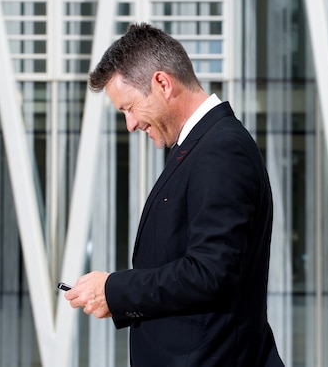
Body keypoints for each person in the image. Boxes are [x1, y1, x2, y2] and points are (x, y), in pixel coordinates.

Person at [64, 23, 284, 367]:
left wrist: (115, 290)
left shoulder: (220, 149)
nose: (130, 124)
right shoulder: (200, 147)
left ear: (162, 84)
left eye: (129, 107)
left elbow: (211, 273)